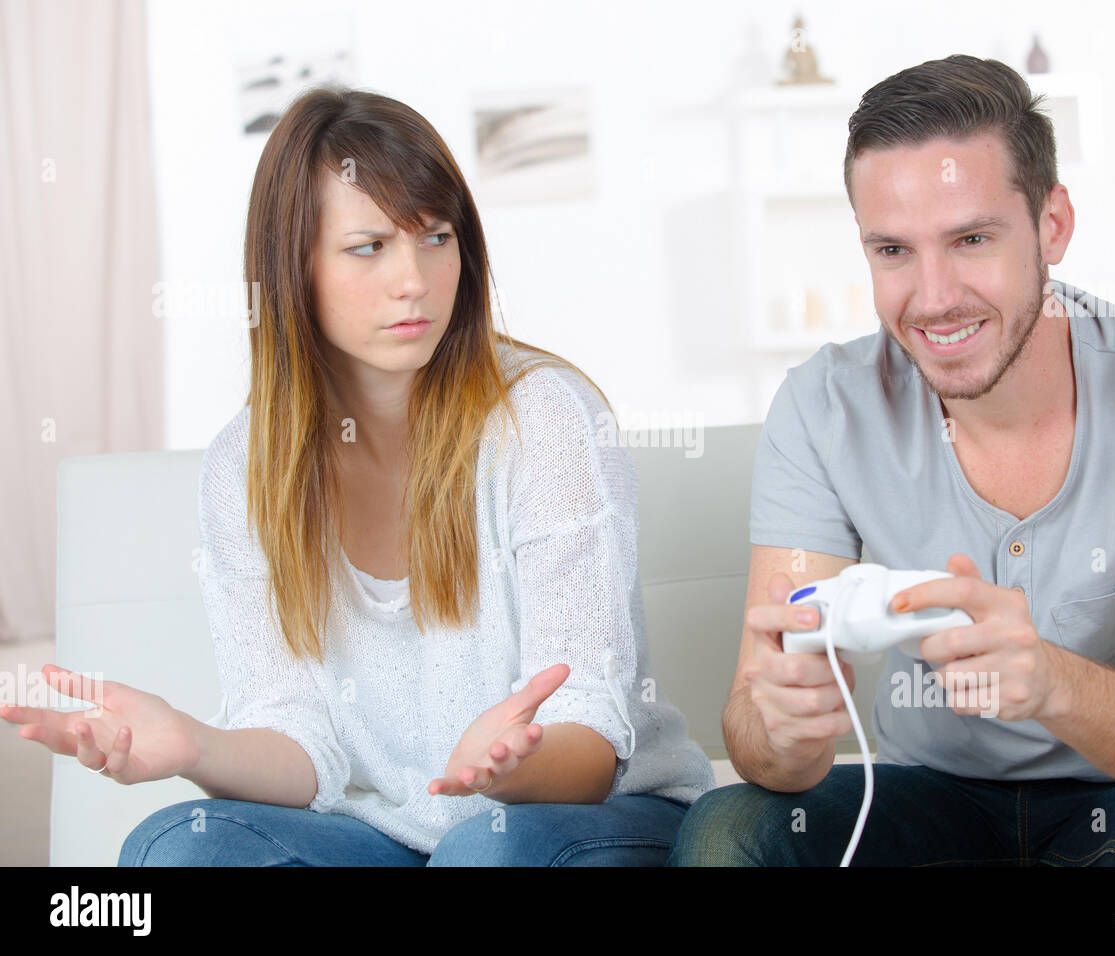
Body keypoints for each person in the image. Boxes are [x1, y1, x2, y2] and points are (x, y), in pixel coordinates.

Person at [3, 85, 713, 866]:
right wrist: (195, 746)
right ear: (291, 268)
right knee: (177, 848)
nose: (414, 279)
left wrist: (511, 769)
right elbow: (301, 742)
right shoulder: (245, 466)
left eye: (436, 237)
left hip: (587, 818)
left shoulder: (542, 420)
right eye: (369, 246)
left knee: (483, 850)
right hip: (385, 835)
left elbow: (591, 728)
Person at [667, 54, 1115, 866]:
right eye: (893, 251)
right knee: (727, 831)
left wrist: (1052, 681)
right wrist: (782, 728)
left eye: (971, 239)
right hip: (930, 799)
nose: (933, 297)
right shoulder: (825, 406)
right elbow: (757, 725)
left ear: (1052, 225)